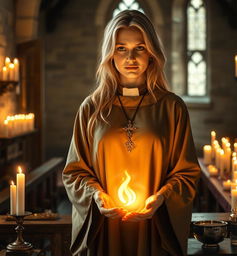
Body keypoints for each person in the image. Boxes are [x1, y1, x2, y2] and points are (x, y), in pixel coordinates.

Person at [63, 10, 201, 256]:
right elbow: (75, 172)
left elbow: (187, 173)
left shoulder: (172, 107)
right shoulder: (91, 108)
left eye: (140, 48)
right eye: (121, 48)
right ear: (110, 54)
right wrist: (97, 196)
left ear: (152, 53)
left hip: (154, 228)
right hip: (105, 228)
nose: (131, 58)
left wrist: (161, 198)